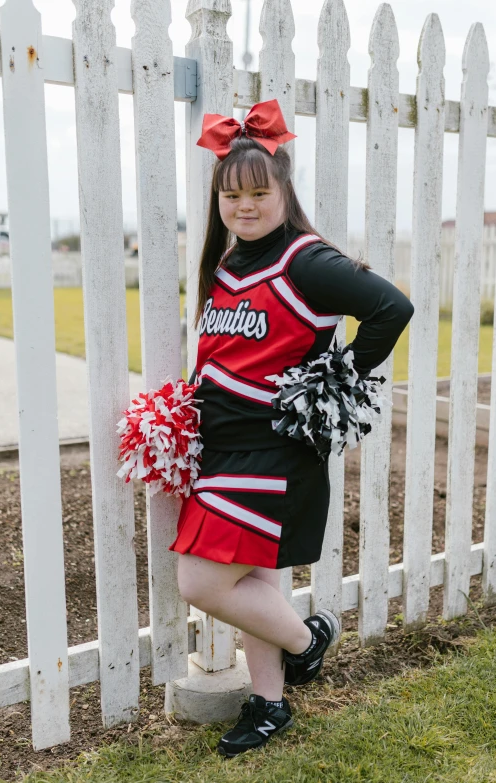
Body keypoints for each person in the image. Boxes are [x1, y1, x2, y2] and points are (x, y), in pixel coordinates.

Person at [168, 99, 414, 758]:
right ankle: (270, 703)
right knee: (257, 585)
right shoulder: (227, 265)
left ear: (284, 191)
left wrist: (337, 379)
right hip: (223, 449)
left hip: (272, 452)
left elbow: (392, 307)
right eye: (231, 194)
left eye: (258, 192)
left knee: (202, 581)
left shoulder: (304, 260)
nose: (243, 206)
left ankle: (309, 642)